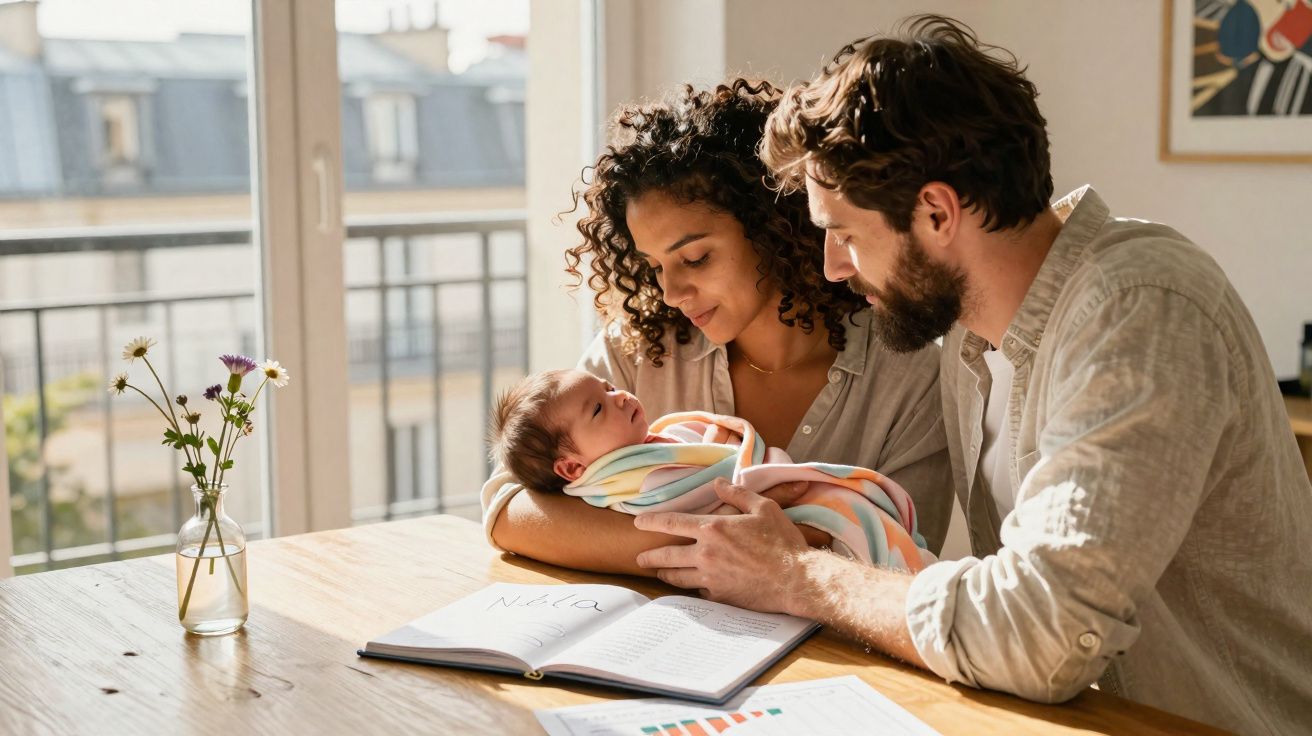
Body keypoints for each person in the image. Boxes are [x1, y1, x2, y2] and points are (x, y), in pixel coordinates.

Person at [629, 16, 1312, 736]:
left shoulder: (1141, 307)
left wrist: (798, 576)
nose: (831, 266)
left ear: (935, 211)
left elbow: (1043, 634)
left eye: (846, 234)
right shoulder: (966, 343)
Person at [480, 79, 952, 576]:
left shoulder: (907, 376)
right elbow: (510, 511)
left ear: (773, 226)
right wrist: (719, 542)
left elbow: (903, 564)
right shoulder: (643, 348)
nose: (670, 293)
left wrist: (654, 541)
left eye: (695, 257)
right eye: (656, 266)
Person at [487, 368, 934, 571]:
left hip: (811, 555)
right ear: (570, 467)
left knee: (862, 522)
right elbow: (505, 507)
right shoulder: (622, 478)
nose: (620, 395)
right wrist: (730, 520)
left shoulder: (908, 377)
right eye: (600, 407)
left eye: (609, 387)